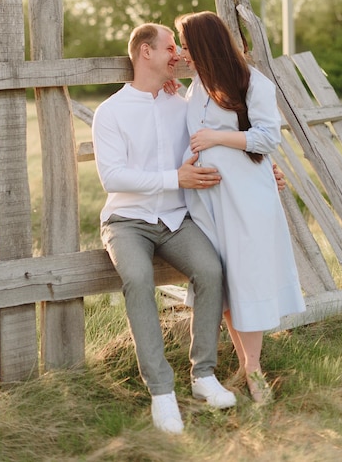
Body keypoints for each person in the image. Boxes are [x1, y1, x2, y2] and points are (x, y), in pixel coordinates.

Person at [91, 23, 237, 436]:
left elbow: (222, 137)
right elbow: (113, 178)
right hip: (126, 221)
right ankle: (161, 392)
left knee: (211, 271)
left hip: (175, 220)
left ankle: (203, 376)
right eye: (170, 47)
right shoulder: (111, 111)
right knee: (137, 279)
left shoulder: (182, 104)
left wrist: (269, 169)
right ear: (144, 53)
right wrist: (175, 178)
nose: (177, 55)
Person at [174, 11, 306, 404]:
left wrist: (217, 137)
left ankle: (254, 371)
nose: (183, 52)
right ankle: (247, 366)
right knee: (228, 284)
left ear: (204, 44)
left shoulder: (253, 82)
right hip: (209, 202)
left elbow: (267, 138)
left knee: (248, 280)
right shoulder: (195, 86)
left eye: (186, 44)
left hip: (246, 199)